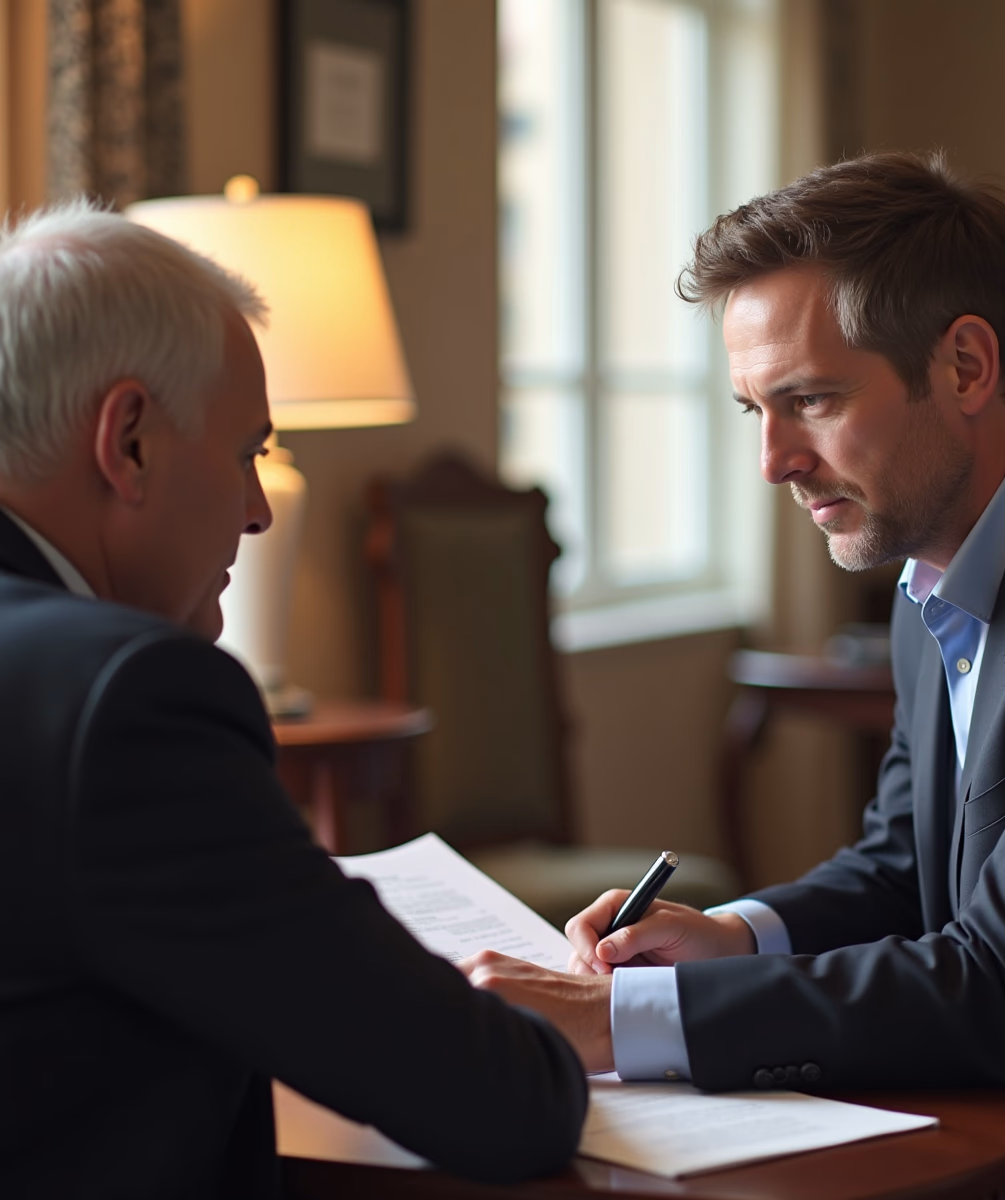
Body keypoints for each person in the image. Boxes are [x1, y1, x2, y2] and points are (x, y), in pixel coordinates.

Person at [460, 151, 1005, 1199]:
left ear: (966, 367)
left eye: (808, 399)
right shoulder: (938, 553)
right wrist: (731, 936)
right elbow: (906, 863)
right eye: (753, 409)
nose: (773, 461)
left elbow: (1000, 989)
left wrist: (613, 1020)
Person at [0, 201, 586, 1198]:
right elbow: (499, 1099)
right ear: (129, 440)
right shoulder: (124, 703)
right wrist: (556, 1022)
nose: (260, 508)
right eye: (245, 455)